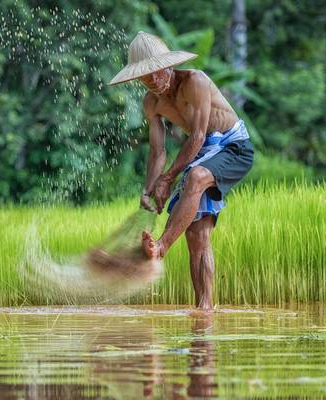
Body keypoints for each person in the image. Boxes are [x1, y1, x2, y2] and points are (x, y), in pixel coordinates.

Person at [108, 31, 254, 311]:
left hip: (232, 146)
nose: (151, 81)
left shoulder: (195, 82)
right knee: (196, 236)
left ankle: (161, 248)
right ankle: (204, 310)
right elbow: (157, 151)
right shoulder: (152, 103)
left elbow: (198, 137)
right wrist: (148, 189)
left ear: (168, 66)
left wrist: (168, 178)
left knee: (197, 176)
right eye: (144, 76)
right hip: (201, 155)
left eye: (155, 72)